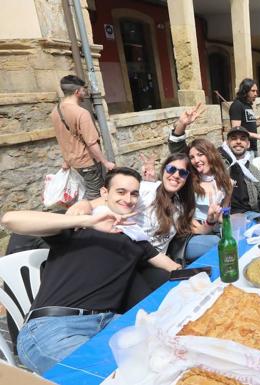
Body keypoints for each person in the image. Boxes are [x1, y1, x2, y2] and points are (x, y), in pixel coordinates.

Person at [1, 168, 181, 374]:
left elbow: (167, 264)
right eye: (121, 192)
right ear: (105, 193)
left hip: (109, 325)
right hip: (54, 327)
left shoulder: (136, 238)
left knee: (166, 358)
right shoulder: (78, 225)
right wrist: (86, 220)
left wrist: (186, 272)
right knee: (112, 375)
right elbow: (10, 219)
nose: (128, 199)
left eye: (134, 193)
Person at [68, 153, 200, 261]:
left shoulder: (182, 203)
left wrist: (211, 220)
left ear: (187, 178)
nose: (176, 175)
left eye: (182, 173)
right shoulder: (146, 191)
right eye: (171, 169)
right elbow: (102, 201)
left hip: (159, 259)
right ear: (164, 170)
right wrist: (83, 204)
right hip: (136, 257)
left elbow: (193, 227)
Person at [51, 75, 115, 199]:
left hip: (73, 162)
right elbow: (91, 143)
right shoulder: (81, 113)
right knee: (95, 195)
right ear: (77, 92)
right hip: (87, 163)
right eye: (83, 89)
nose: (85, 92)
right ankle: (84, 216)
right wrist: (105, 162)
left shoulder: (55, 111)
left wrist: (66, 161)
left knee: (84, 192)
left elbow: (64, 137)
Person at [229, 78, 260, 156]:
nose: (256, 94)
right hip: (243, 149)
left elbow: (247, 124)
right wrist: (258, 136)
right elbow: (236, 130)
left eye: (256, 91)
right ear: (245, 91)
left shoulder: (248, 105)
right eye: (253, 91)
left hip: (252, 147)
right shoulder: (237, 105)